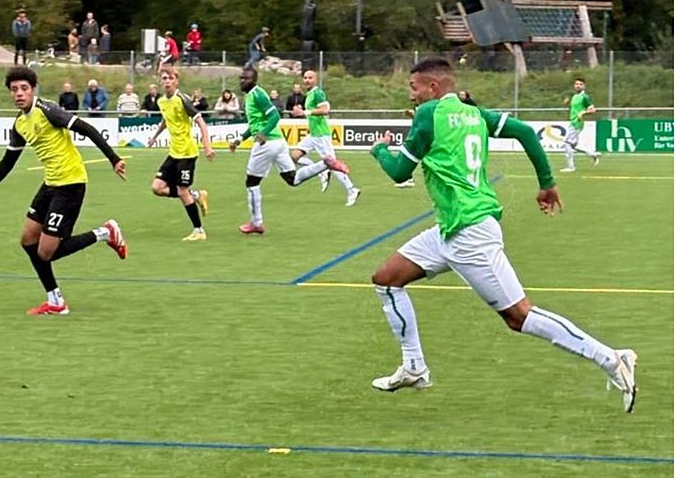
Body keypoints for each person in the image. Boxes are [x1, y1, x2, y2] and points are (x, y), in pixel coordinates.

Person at [367, 58, 636, 412]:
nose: (412, 95)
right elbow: (525, 132)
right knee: (386, 279)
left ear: (433, 87)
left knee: (519, 316)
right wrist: (547, 184)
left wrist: (379, 150)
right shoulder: (474, 114)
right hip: (451, 229)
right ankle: (414, 367)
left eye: (414, 88)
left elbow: (400, 171)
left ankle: (612, 359)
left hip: (470, 232)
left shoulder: (429, 112)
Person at [0, 66, 128, 316]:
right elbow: (8, 161)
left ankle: (106, 232)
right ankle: (55, 301)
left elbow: (87, 129)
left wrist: (114, 158)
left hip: (70, 184)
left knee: (46, 252)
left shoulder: (48, 111)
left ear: (33, 89)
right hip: (51, 184)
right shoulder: (20, 124)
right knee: (28, 240)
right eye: (14, 90)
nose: (19, 94)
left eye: (24, 88)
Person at [228, 66, 349, 234]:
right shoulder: (251, 96)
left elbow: (275, 116)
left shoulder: (257, 94)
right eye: (241, 78)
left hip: (267, 144)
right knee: (292, 179)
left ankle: (256, 223)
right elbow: (255, 124)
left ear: (254, 80)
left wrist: (263, 133)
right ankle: (325, 164)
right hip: (278, 142)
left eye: (246, 78)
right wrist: (240, 139)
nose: (242, 81)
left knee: (252, 182)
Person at [146, 67, 215, 241]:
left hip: (187, 153)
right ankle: (197, 195)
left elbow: (201, 123)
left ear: (176, 81)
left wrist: (206, 147)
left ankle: (199, 231)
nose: (167, 81)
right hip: (174, 153)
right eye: (164, 78)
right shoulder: (162, 101)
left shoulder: (182, 99)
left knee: (183, 190)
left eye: (170, 78)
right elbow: (165, 120)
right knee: (157, 188)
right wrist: (154, 137)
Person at [290, 70, 361, 206]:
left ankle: (352, 190)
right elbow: (312, 113)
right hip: (313, 134)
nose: (307, 80)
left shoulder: (318, 92)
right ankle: (320, 171)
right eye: (305, 78)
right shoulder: (309, 94)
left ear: (315, 79)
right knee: (293, 156)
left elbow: (325, 110)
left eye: (310, 78)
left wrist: (305, 112)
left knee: (333, 164)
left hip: (322, 135)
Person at [561, 77, 601, 172]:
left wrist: (583, 113)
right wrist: (567, 103)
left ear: (584, 86)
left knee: (567, 143)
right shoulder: (575, 97)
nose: (578, 86)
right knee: (573, 145)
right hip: (573, 121)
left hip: (577, 122)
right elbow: (575, 108)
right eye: (576, 84)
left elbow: (592, 110)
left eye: (580, 84)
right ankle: (593, 154)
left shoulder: (585, 97)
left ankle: (570, 167)